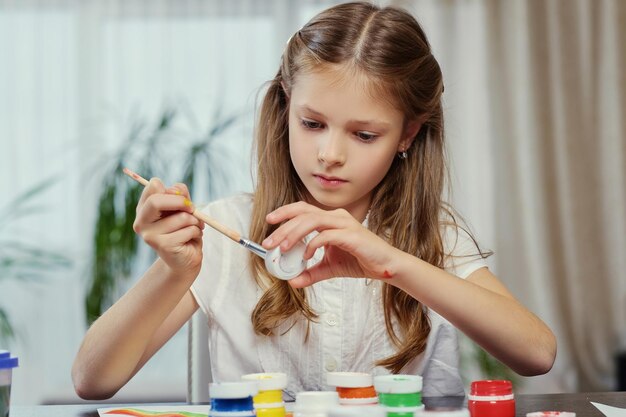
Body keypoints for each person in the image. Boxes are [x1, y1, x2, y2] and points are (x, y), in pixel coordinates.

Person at [72, 1, 556, 400]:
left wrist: (392, 263)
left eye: (364, 134)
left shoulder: (432, 239)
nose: (329, 154)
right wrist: (174, 271)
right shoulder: (226, 229)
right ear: (285, 106)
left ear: (407, 134)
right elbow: (92, 381)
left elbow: (537, 354)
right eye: (312, 124)